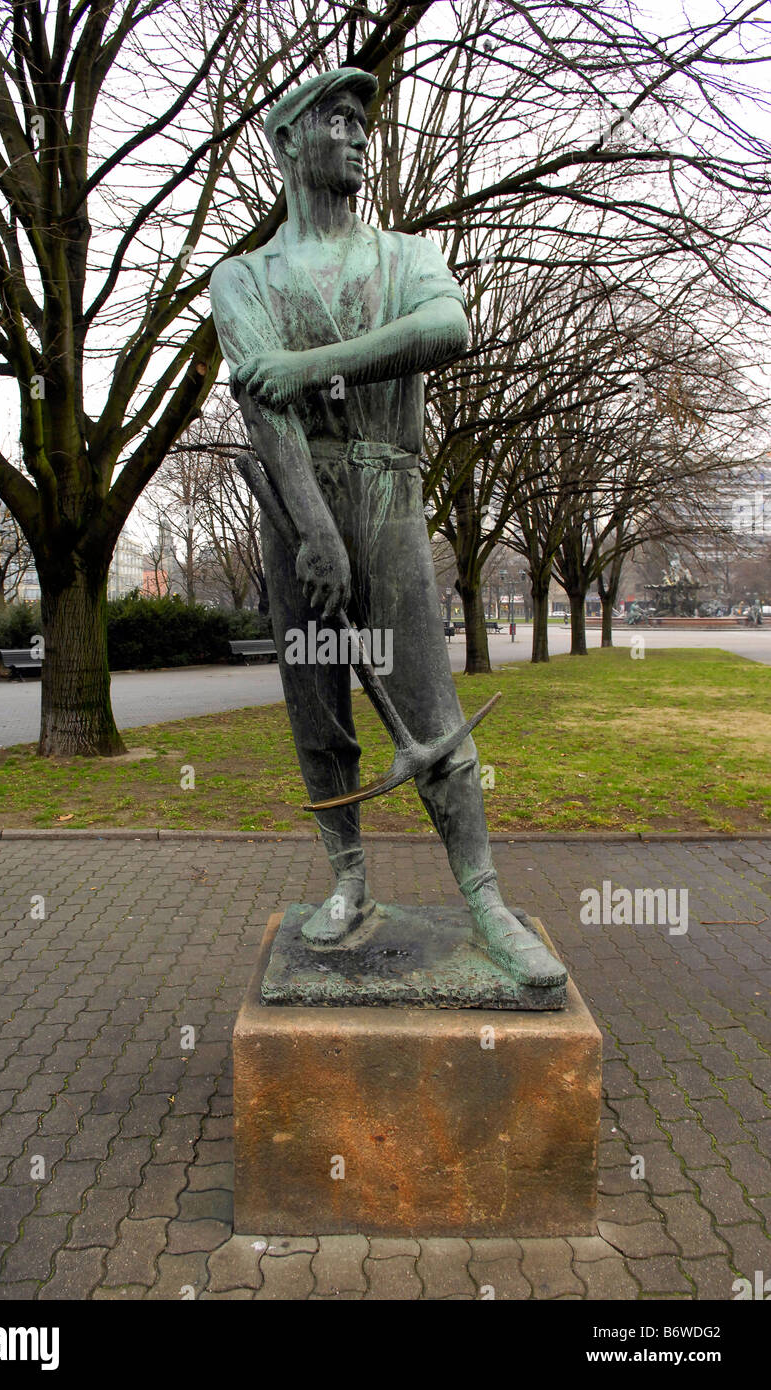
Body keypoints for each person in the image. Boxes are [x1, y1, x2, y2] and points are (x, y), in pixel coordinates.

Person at [210, 69, 565, 988]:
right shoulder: (243, 277)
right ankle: (348, 881)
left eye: (364, 123)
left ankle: (485, 901)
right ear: (288, 143)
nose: (359, 136)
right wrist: (314, 533)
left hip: (389, 497)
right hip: (298, 514)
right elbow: (263, 404)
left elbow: (448, 328)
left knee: (429, 710)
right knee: (317, 706)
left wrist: (313, 361)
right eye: (337, 121)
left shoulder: (403, 258)